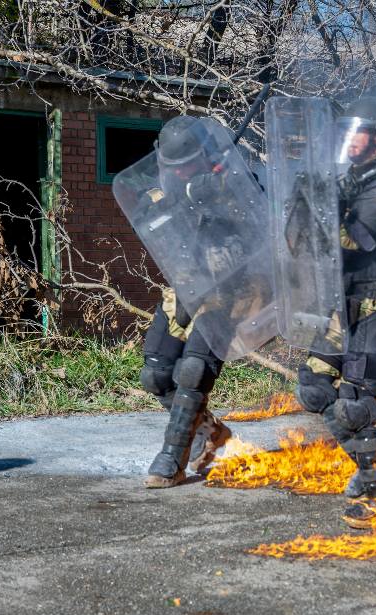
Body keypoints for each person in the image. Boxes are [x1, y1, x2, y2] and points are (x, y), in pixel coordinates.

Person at [295, 97, 376, 528]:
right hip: (346, 300)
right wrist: (302, 203)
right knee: (315, 387)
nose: (347, 140)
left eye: (358, 132)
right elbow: (309, 247)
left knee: (357, 402)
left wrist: (326, 205)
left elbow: (356, 241)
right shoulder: (351, 180)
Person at [139, 117, 233, 488]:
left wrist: (222, 195)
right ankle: (208, 433)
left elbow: (257, 219)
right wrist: (189, 198)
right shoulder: (162, 196)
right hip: (183, 291)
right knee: (157, 374)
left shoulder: (231, 183)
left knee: (193, 370)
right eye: (172, 168)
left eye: (187, 167)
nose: (179, 174)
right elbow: (152, 220)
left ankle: (171, 460)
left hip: (228, 294)